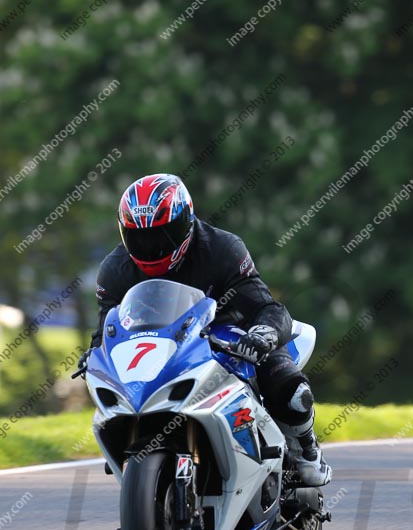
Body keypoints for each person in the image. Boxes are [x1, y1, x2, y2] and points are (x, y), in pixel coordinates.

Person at [81, 173, 331, 486]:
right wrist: (93, 355)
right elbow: (107, 330)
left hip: (233, 337)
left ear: (185, 222)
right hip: (165, 350)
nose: (150, 247)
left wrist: (262, 336)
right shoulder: (114, 270)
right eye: (138, 237)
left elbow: (268, 308)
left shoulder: (222, 249)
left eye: (162, 235)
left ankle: (307, 448)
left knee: (290, 389)